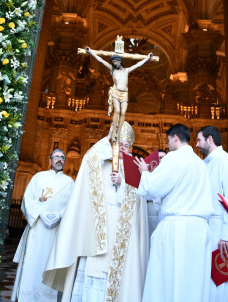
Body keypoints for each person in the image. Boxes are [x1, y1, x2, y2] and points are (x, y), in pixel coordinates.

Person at [43, 122, 149, 302]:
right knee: (93, 265)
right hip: (99, 224)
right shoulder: (103, 161)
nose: (122, 148)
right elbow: (89, 159)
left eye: (126, 145)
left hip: (121, 228)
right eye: (119, 144)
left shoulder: (135, 167)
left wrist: (122, 183)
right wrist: (107, 138)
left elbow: (139, 197)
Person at [134, 123, 213, 302]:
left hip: (178, 229)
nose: (168, 145)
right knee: (193, 280)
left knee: (169, 279)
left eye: (168, 140)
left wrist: (144, 172)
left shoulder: (175, 158)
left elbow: (152, 188)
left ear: (175, 138)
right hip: (199, 229)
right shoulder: (200, 163)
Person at [11, 149, 74, 302]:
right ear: (50, 160)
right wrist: (40, 214)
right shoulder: (38, 177)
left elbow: (74, 205)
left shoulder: (70, 182)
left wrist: (60, 214)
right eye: (56, 157)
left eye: (62, 158)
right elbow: (27, 199)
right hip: (37, 228)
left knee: (50, 264)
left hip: (57, 231)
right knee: (32, 264)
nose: (59, 160)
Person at [196, 126, 228, 302]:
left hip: (223, 233)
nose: (197, 145)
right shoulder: (204, 164)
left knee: (225, 283)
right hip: (208, 230)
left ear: (210, 140)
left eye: (199, 140)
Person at [86, 47, 152, 142]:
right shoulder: (113, 70)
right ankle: (113, 132)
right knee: (117, 110)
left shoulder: (126, 70)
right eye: (113, 62)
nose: (115, 64)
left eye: (116, 62)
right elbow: (101, 61)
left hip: (124, 94)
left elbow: (138, 65)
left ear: (120, 62)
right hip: (116, 92)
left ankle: (118, 131)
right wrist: (90, 52)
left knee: (123, 112)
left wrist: (147, 58)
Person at [146, 148, 168, 239]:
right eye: (159, 158)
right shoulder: (147, 173)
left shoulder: (171, 173)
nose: (161, 161)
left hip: (166, 209)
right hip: (151, 208)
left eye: (163, 158)